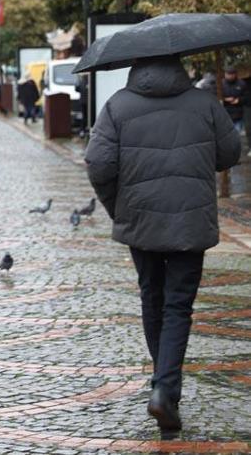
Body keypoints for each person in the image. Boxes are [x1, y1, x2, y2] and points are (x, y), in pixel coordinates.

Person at [84, 55, 240, 433]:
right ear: (179, 64)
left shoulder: (118, 105)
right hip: (190, 221)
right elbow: (230, 153)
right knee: (177, 305)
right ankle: (165, 389)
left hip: (140, 218)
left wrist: (116, 207)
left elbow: (98, 164)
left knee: (152, 298)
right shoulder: (204, 102)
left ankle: (164, 386)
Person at [222, 66, 245, 134]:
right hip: (225, 114)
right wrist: (224, 99)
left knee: (237, 135)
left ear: (235, 74)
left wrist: (239, 100)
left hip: (238, 114)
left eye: (231, 74)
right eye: (228, 74)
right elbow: (217, 96)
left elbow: (247, 97)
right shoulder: (221, 83)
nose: (229, 76)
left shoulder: (241, 83)